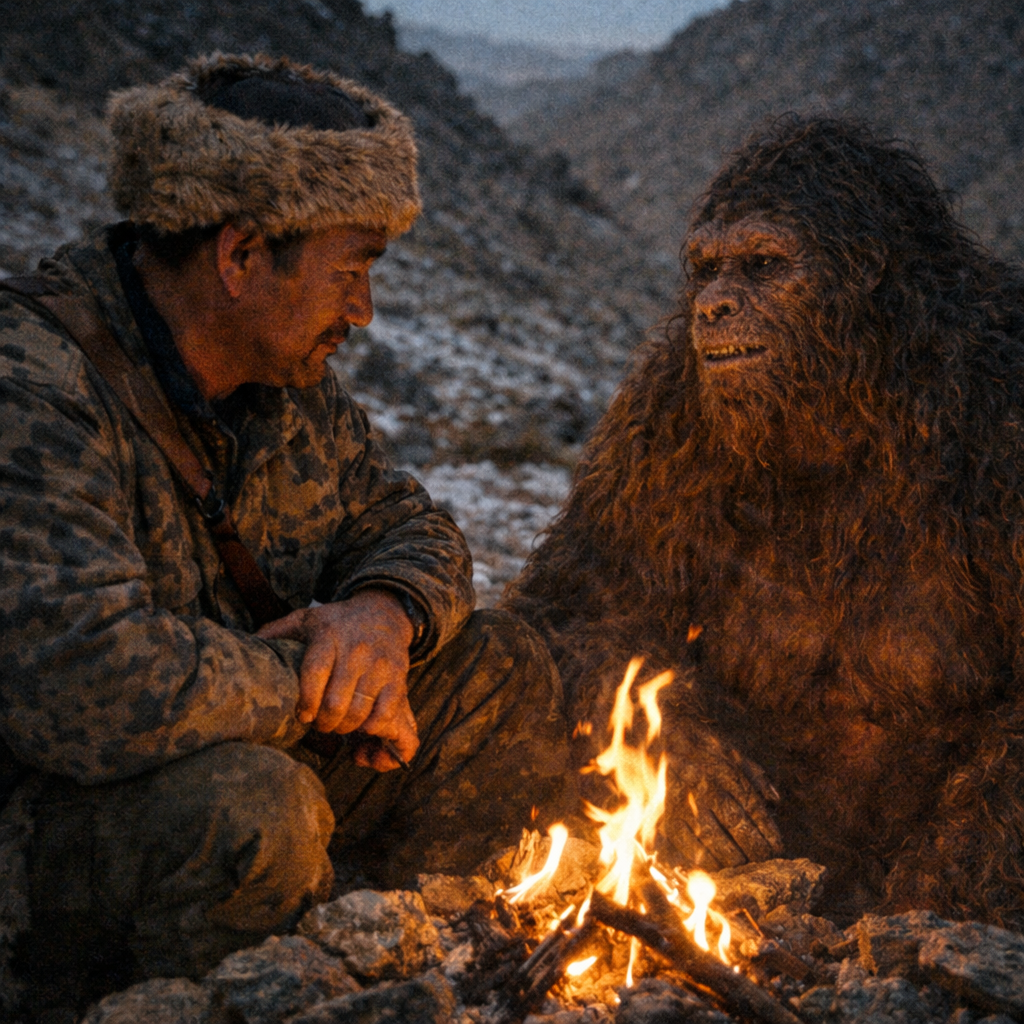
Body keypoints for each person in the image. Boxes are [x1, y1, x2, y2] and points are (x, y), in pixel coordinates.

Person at [0, 53, 568, 1018]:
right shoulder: (32, 383)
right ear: (241, 257)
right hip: (46, 834)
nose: (364, 311)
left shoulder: (288, 383)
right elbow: (82, 684)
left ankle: (400, 963)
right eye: (352, 271)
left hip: (240, 751)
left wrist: (383, 617)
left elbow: (412, 526)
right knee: (256, 809)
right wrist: (318, 678)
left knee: (497, 668)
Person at [505, 116, 1024, 930]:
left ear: (869, 275)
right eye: (705, 270)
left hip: (950, 884)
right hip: (738, 883)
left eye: (764, 266)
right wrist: (664, 732)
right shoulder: (671, 414)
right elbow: (559, 620)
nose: (713, 304)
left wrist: (943, 897)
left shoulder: (997, 405)